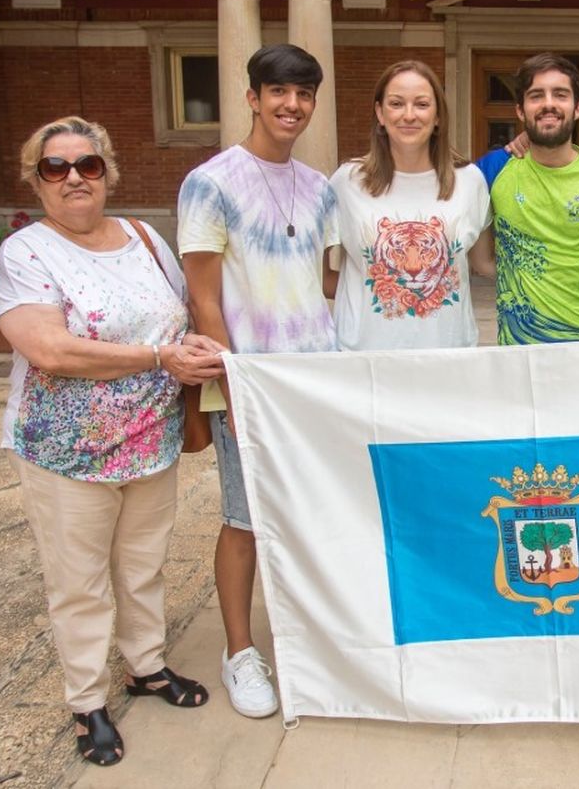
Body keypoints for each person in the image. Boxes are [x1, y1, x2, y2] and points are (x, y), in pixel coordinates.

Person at [0, 116, 226, 766]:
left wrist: (204, 353)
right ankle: (87, 701)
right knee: (80, 583)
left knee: (143, 564)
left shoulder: (146, 238)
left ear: (107, 173)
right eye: (55, 168)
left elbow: (185, 316)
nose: (73, 179)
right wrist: (158, 358)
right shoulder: (27, 253)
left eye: (87, 166)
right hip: (67, 453)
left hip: (149, 441)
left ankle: (146, 668)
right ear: (35, 180)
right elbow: (49, 349)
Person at [177, 43, 339, 719]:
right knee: (244, 519)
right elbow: (204, 296)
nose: (291, 105)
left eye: (303, 94)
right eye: (278, 92)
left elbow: (326, 283)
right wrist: (233, 385)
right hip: (250, 382)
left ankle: (313, 640)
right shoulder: (210, 183)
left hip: (314, 384)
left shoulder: (319, 185)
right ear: (251, 97)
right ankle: (240, 651)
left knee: (310, 515)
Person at [327, 60, 491, 349]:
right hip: (365, 359)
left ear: (438, 114)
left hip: (447, 354)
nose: (409, 115)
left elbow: (484, 263)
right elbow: (316, 273)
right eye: (396, 103)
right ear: (380, 112)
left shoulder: (469, 181)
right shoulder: (347, 182)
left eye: (422, 104)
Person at [477, 53, 579, 344]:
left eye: (560, 94)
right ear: (520, 110)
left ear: (578, 107)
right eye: (536, 96)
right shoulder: (494, 169)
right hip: (519, 353)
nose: (548, 104)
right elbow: (480, 262)